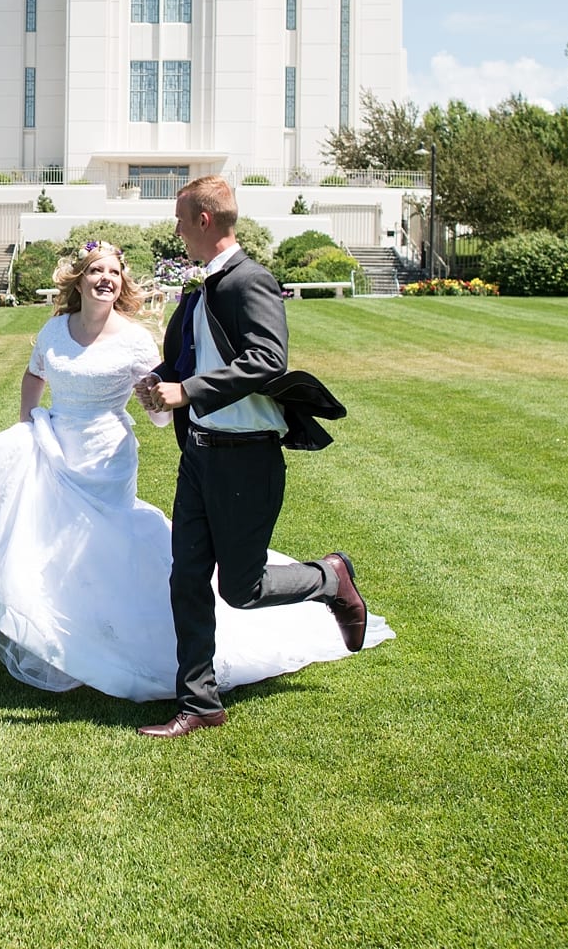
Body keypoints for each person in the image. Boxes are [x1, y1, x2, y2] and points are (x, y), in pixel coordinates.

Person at [0, 239, 385, 706]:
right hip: (54, 444)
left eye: (113, 272)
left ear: (122, 283)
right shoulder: (54, 331)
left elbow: (158, 404)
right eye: (96, 272)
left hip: (106, 453)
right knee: (53, 537)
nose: (105, 279)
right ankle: (66, 630)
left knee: (103, 540)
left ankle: (125, 633)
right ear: (80, 280)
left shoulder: (133, 339)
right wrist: (29, 421)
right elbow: (35, 375)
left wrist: (157, 399)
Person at [132, 174, 378, 739]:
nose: (174, 228)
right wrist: (161, 380)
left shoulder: (251, 280)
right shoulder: (199, 291)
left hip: (246, 458)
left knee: (241, 589)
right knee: (187, 578)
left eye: (178, 218)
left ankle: (331, 577)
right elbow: (188, 360)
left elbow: (268, 359)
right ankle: (200, 703)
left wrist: (188, 391)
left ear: (203, 220)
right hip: (198, 456)